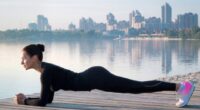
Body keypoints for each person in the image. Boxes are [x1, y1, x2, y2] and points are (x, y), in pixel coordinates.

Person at [14, 44, 195, 108]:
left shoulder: (46, 73)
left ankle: (182, 87)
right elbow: (48, 99)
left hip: (95, 78)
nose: (21, 62)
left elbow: (44, 102)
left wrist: (24, 102)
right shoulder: (47, 71)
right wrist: (30, 99)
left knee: (137, 87)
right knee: (137, 87)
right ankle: (181, 87)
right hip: (94, 76)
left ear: (35, 58)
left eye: (24, 59)